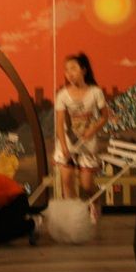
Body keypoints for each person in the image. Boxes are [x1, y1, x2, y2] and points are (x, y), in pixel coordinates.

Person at [53, 53, 110, 220]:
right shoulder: (62, 95)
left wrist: (93, 129)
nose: (69, 73)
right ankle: (74, 217)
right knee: (67, 181)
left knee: (86, 184)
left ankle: (95, 202)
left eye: (73, 69)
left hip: (87, 142)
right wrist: (64, 147)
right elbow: (59, 123)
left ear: (83, 70)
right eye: (66, 70)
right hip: (68, 142)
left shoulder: (95, 92)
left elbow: (104, 116)